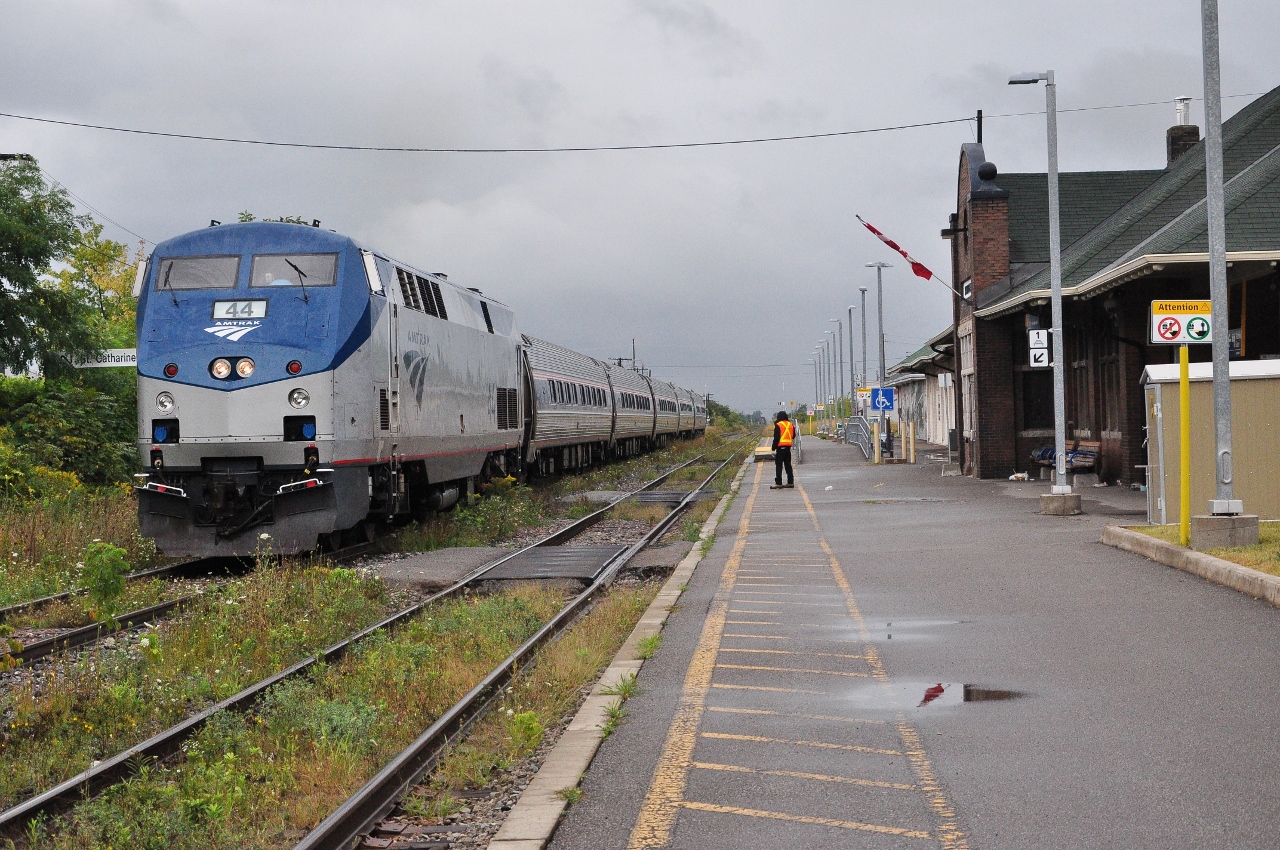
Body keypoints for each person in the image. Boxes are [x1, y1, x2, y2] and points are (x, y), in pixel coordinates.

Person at [770, 410, 795, 489]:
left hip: (780, 448)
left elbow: (776, 438)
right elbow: (793, 436)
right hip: (788, 448)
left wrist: (773, 447)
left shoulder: (778, 425)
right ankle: (790, 482)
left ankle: (778, 483)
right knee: (788, 465)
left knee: (779, 465)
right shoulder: (791, 424)